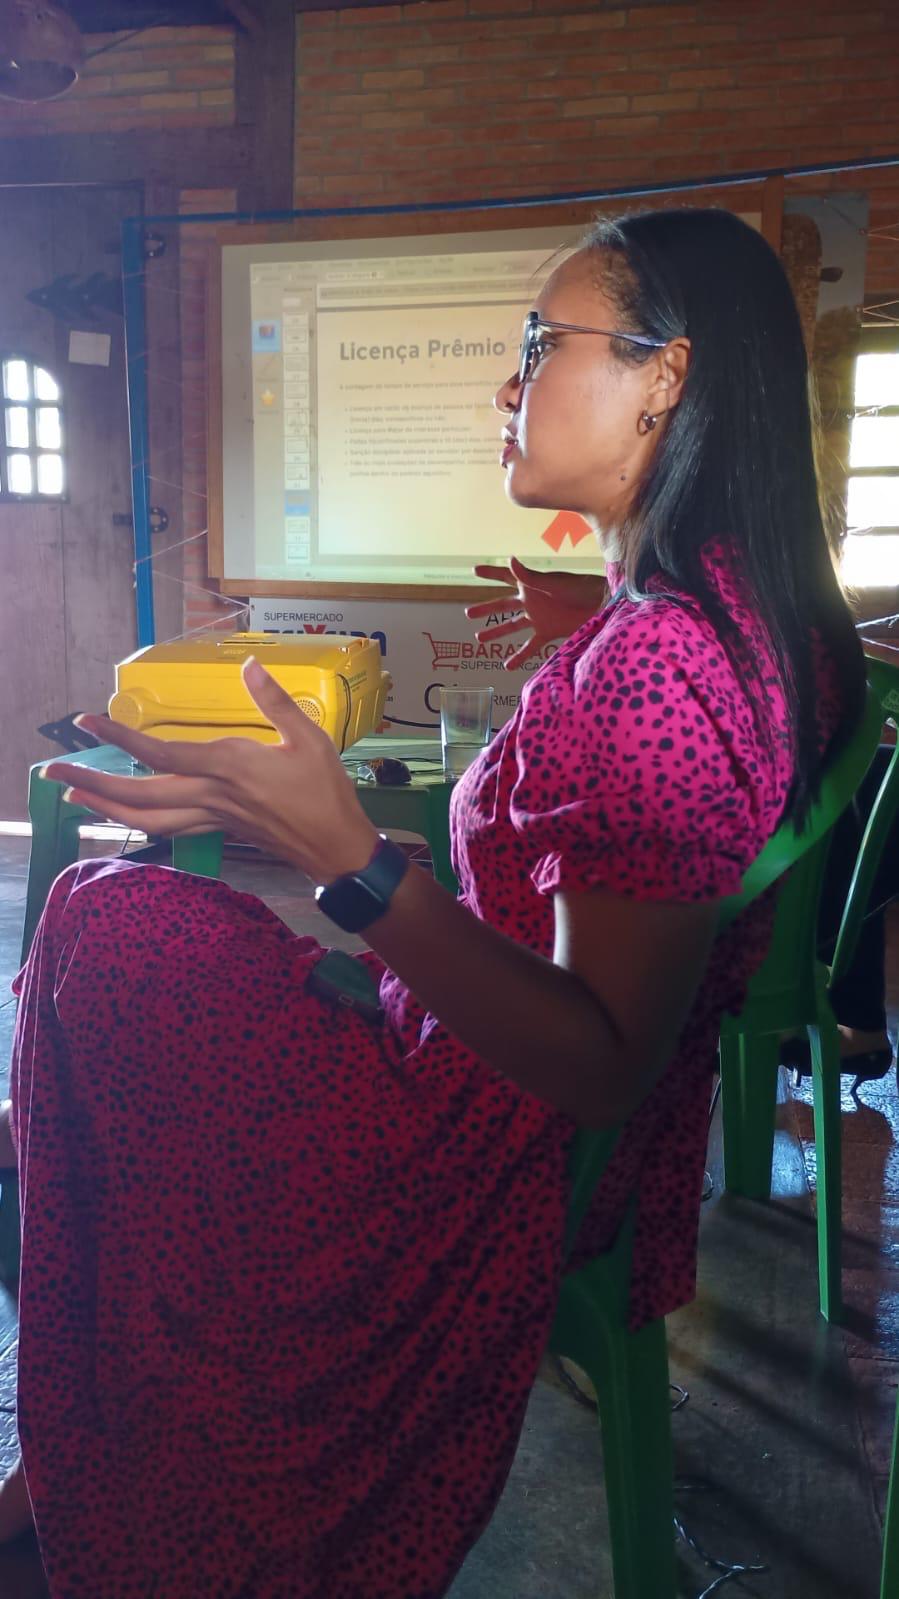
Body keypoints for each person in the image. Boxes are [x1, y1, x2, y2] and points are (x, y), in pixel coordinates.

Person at [1, 208, 865, 1598]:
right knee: (120, 931)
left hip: (472, 1160)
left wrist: (351, 857)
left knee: (107, 932)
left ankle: (104, 1452)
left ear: (665, 375)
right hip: (531, 1120)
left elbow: (599, 1061)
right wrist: (586, 631)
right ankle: (78, 1425)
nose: (506, 384)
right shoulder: (742, 618)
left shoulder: (662, 668)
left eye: (541, 342)